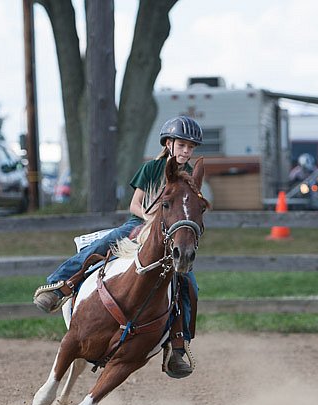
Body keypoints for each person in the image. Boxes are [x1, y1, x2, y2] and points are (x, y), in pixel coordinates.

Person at [32, 115, 203, 379]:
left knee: (189, 285)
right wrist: (148, 219)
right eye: (182, 145)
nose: (186, 151)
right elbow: (135, 204)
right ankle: (58, 285)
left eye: (191, 147)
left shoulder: (190, 176)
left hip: (168, 235)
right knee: (99, 247)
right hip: (139, 224)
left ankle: (177, 345)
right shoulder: (151, 169)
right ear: (168, 143)